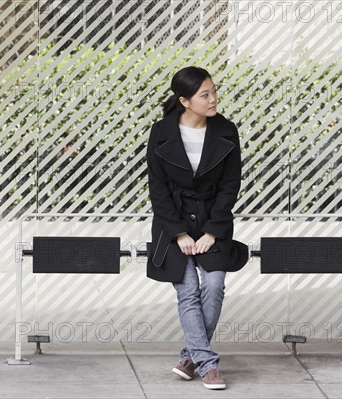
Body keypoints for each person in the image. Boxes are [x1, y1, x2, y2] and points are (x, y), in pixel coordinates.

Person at [145, 66, 244, 390]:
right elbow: (157, 189)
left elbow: (230, 186)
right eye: (205, 94)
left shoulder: (226, 131)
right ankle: (209, 366)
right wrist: (179, 233)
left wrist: (212, 231)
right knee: (187, 291)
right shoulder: (161, 132)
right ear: (184, 100)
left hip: (212, 221)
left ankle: (190, 357)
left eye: (214, 91)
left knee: (214, 285)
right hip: (172, 224)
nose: (214, 98)